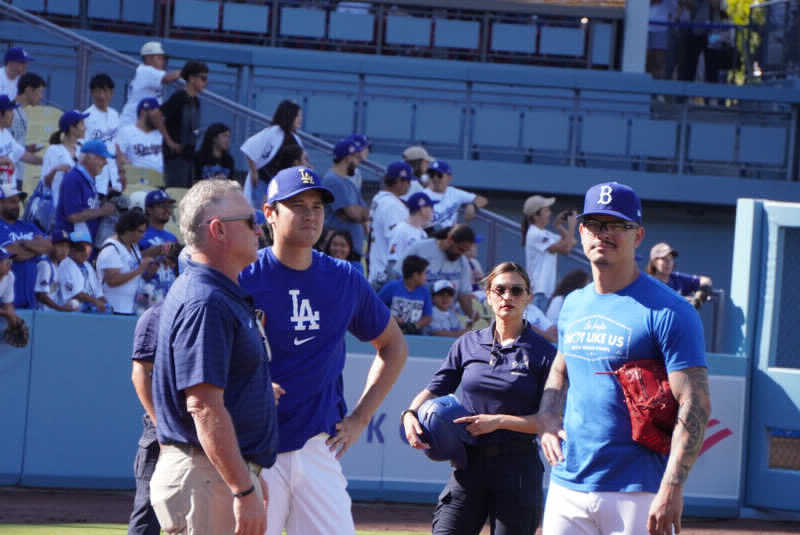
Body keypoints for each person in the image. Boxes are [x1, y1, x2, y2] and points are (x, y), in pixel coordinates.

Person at [239, 165, 408, 535]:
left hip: (319, 445)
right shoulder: (243, 277)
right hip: (251, 446)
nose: (310, 214)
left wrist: (361, 418)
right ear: (269, 213)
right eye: (297, 205)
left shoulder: (345, 277)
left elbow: (394, 346)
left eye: (316, 206)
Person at [537, 182, 711, 535]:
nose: (605, 234)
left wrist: (672, 487)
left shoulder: (670, 310)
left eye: (618, 225)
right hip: (568, 484)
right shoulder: (573, 304)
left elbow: (695, 404)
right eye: (596, 224)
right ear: (582, 232)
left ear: (639, 236)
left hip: (639, 488)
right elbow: (560, 370)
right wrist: (547, 417)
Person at [150, 179, 277, 535]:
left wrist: (246, 472)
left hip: (212, 475)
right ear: (218, 230)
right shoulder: (206, 301)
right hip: (204, 478)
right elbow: (204, 407)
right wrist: (242, 486)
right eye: (251, 221)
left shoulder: (216, 293)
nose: (260, 228)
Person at [402, 261, 556, 534]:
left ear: (529, 297)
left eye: (516, 291)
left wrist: (498, 421)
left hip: (517, 467)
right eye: (500, 289)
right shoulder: (467, 343)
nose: (507, 297)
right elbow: (435, 388)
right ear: (488, 294)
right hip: (467, 464)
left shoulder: (544, 353)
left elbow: (548, 422)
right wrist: (410, 414)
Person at [128, 302, 163, 535]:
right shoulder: (157, 314)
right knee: (147, 516)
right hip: (161, 431)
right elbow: (139, 372)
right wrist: (162, 425)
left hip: (204, 430)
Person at [403, 224, 478, 323]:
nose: (461, 254)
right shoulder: (421, 248)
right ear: (450, 239)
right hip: (417, 315)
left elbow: (463, 295)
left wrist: (472, 314)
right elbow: (399, 277)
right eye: (460, 249)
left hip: (444, 318)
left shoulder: (463, 262)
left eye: (465, 251)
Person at [241, 99, 303, 209]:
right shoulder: (272, 132)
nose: (300, 120)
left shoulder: (296, 139)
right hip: (263, 181)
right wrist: (254, 171)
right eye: (298, 116)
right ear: (290, 116)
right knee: (261, 212)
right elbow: (249, 146)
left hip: (281, 184)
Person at [521, 194, 578, 312]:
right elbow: (566, 248)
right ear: (536, 216)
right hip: (538, 291)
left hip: (544, 290)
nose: (550, 213)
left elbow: (571, 242)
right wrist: (572, 226)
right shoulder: (535, 233)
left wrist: (558, 226)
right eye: (546, 210)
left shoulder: (544, 233)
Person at [53, 139, 116, 242]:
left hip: (82, 243)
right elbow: (73, 216)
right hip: (72, 245)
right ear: (89, 158)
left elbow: (88, 206)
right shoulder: (74, 178)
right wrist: (102, 211)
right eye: (102, 158)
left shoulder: (88, 178)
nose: (105, 163)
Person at [96, 210, 157, 315]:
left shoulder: (133, 247)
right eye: (140, 231)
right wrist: (140, 269)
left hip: (130, 308)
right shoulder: (111, 250)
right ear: (128, 229)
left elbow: (134, 277)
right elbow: (112, 281)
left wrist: (149, 271)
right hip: (113, 309)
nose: (143, 235)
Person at [0, 184, 51, 309]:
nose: (17, 206)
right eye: (12, 202)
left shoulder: (27, 226)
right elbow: (16, 255)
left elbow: (49, 246)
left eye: (18, 202)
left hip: (30, 299)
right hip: (6, 302)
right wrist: (36, 248)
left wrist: (24, 243)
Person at [161, 61, 208, 188]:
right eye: (203, 78)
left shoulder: (196, 101)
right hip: (175, 156)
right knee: (175, 191)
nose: (205, 82)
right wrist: (169, 141)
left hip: (189, 155)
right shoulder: (179, 97)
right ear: (192, 78)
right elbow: (158, 116)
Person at [367, 161, 412, 289]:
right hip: (387, 276)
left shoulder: (379, 199)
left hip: (376, 271)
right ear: (399, 181)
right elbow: (396, 241)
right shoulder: (393, 205)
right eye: (407, 180)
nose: (409, 185)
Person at [322, 138, 369, 258]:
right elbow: (352, 213)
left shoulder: (349, 183)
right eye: (356, 158)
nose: (358, 162)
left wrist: (358, 214)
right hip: (340, 251)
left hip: (352, 251)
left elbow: (366, 213)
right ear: (348, 158)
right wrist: (357, 214)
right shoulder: (332, 180)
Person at [120, 41, 181, 126]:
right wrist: (187, 71)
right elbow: (167, 78)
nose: (163, 61)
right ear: (148, 59)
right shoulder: (145, 70)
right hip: (131, 124)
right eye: (159, 58)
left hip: (140, 125)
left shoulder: (149, 73)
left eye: (163, 59)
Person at [83, 73, 124, 197]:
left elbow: (118, 145)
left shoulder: (115, 115)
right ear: (91, 93)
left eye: (105, 91)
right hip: (97, 173)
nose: (101, 96)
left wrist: (121, 171)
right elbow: (84, 150)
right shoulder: (86, 116)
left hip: (114, 174)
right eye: (97, 91)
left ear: (111, 93)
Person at [41, 109, 88, 211]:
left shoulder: (83, 149)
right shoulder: (53, 150)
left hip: (80, 206)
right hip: (59, 207)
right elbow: (45, 182)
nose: (85, 128)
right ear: (72, 128)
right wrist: (55, 170)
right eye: (82, 124)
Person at [646, 241, 714, 309]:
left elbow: (706, 280)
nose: (668, 262)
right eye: (664, 259)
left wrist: (699, 298)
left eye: (671, 259)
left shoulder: (677, 279)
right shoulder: (647, 282)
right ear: (654, 262)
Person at [425, 160, 488, 232]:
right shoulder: (422, 195)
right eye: (432, 175)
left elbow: (483, 200)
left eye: (439, 175)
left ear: (449, 178)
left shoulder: (455, 193)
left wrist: (473, 206)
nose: (435, 178)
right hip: (429, 236)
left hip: (450, 237)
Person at [377, 255, 432, 335]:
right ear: (415, 275)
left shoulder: (424, 292)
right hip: (390, 332)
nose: (425, 277)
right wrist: (392, 319)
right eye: (424, 273)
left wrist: (415, 326)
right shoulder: (392, 287)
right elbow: (377, 306)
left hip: (414, 334)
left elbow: (428, 317)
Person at [385, 191, 435, 281]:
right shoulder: (401, 230)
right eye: (431, 207)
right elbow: (393, 263)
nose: (433, 211)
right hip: (403, 282)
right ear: (423, 209)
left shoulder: (423, 233)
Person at [57, 230, 107, 313]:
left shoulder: (87, 265)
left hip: (88, 308)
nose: (85, 252)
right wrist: (96, 302)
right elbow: (76, 294)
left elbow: (98, 292)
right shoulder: (65, 264)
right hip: (70, 311)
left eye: (88, 248)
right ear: (71, 249)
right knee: (75, 303)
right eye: (80, 248)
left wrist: (105, 303)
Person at [10, 72, 46, 188]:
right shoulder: (9, 114)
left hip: (18, 174)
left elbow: (12, 145)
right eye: (40, 92)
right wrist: (46, 161)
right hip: (9, 175)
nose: (41, 97)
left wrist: (27, 148)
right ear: (29, 90)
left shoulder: (22, 114)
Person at [0, 94, 42, 187]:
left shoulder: (6, 134)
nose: (13, 114)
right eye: (10, 111)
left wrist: (45, 161)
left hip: (8, 191)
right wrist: (4, 160)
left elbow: (23, 155)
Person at [115, 98, 164, 173]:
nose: (159, 117)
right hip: (138, 181)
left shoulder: (161, 134)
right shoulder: (126, 132)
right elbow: (118, 156)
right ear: (143, 112)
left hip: (162, 181)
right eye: (156, 113)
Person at [34, 230, 74, 312]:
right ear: (51, 245)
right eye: (60, 246)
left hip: (51, 314)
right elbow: (41, 295)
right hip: (40, 315)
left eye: (67, 247)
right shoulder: (45, 265)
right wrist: (60, 308)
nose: (64, 250)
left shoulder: (58, 265)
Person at [0, 246, 22, 327]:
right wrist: (6, 314)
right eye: (7, 262)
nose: (10, 265)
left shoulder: (10, 276)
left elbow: (7, 303)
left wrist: (13, 316)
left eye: (11, 261)